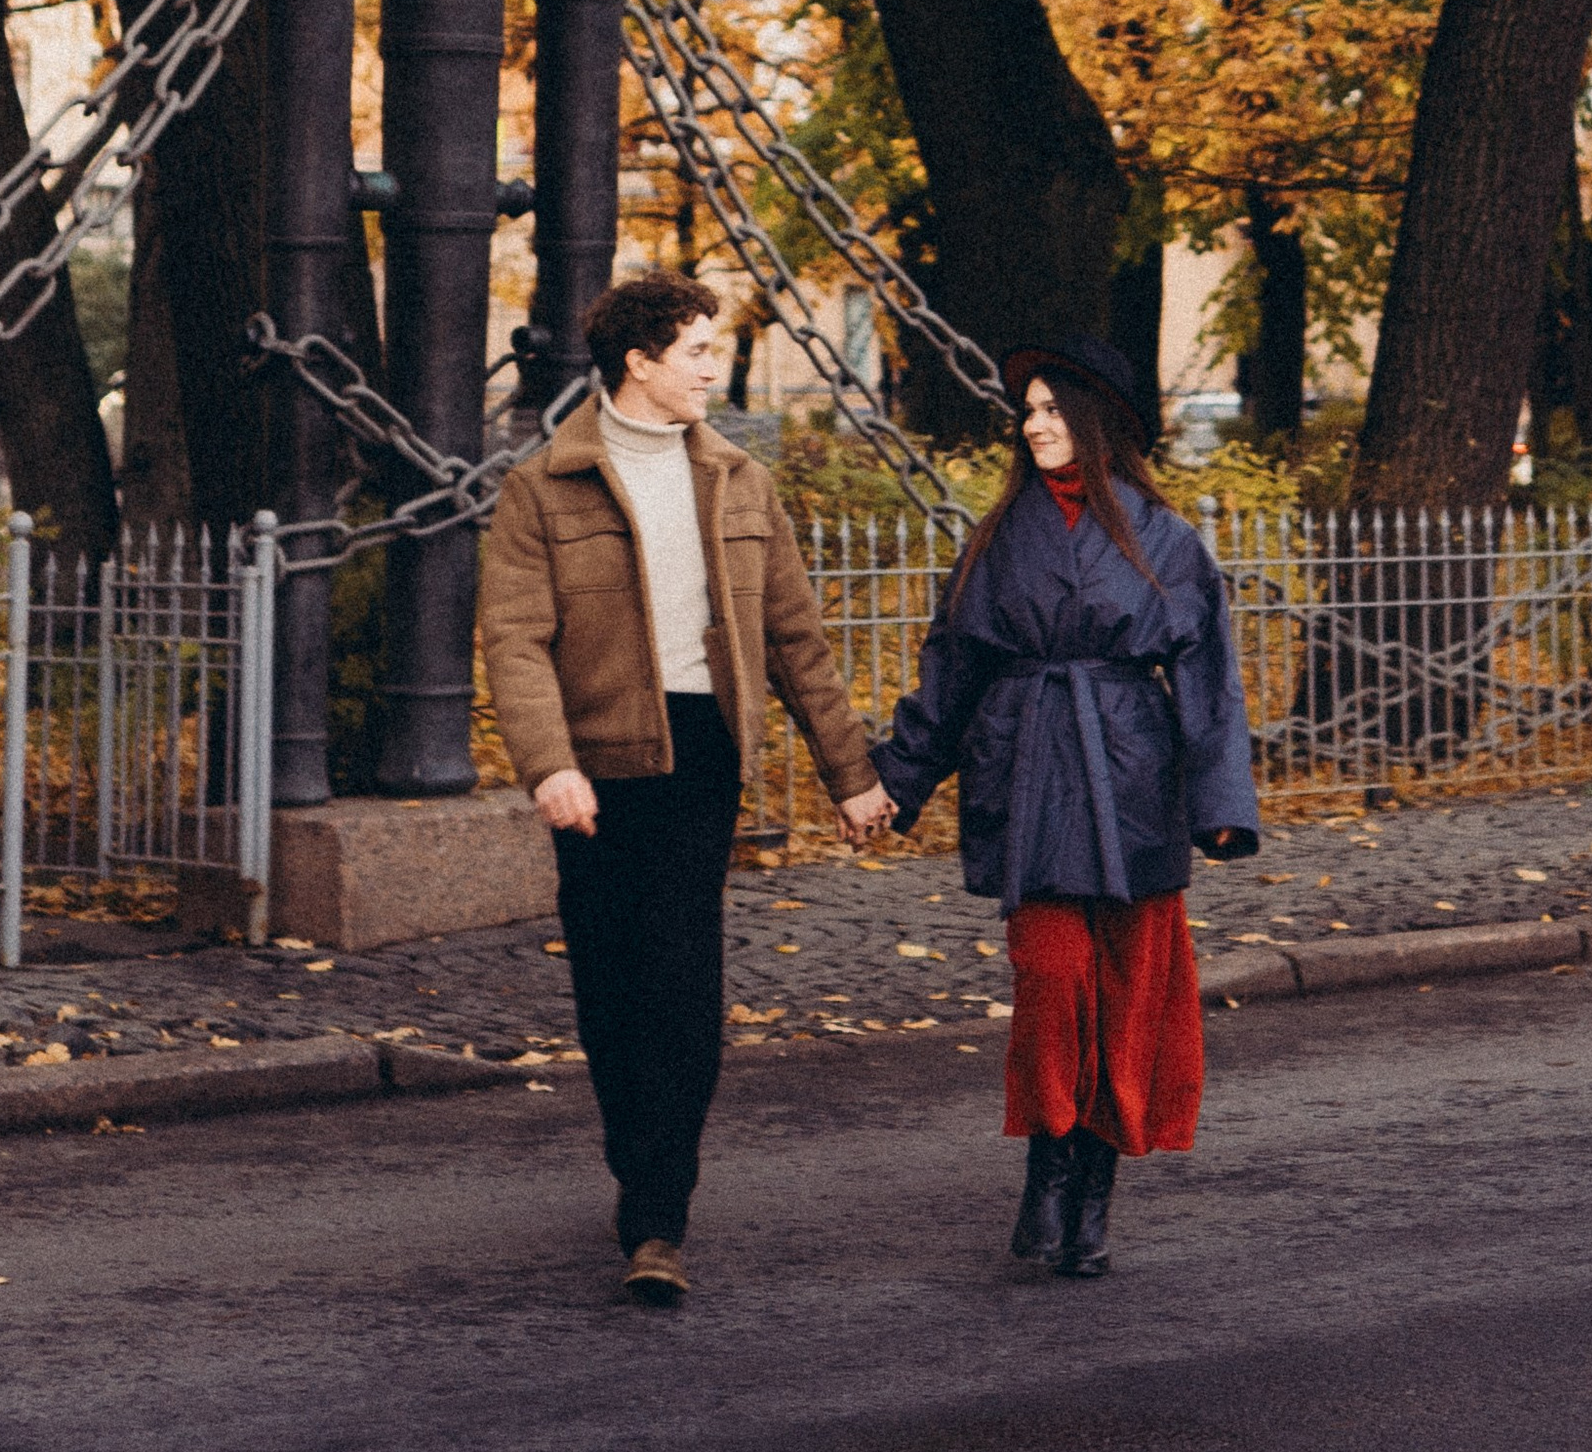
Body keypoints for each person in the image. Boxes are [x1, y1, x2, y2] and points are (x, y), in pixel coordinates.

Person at [479, 270, 893, 1305]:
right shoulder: (543, 488)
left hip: (702, 754)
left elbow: (795, 640)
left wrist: (851, 775)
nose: (714, 368)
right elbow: (516, 642)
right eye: (698, 351)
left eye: (714, 350)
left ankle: (659, 1211)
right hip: (595, 766)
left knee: (681, 978)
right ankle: (638, 1155)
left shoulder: (740, 480)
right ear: (641, 362)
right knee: (610, 984)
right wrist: (550, 763)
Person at [872, 332, 1258, 1279]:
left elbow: (1209, 679)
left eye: (1051, 410)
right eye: (1028, 411)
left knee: (1125, 993)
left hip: (1134, 776)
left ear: (1096, 421)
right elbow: (951, 673)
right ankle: (1047, 1163)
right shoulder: (1000, 537)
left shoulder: (1166, 540)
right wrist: (895, 780)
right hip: (1028, 770)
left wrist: (1221, 803)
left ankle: (1092, 1190)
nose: (1033, 425)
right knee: (1051, 979)